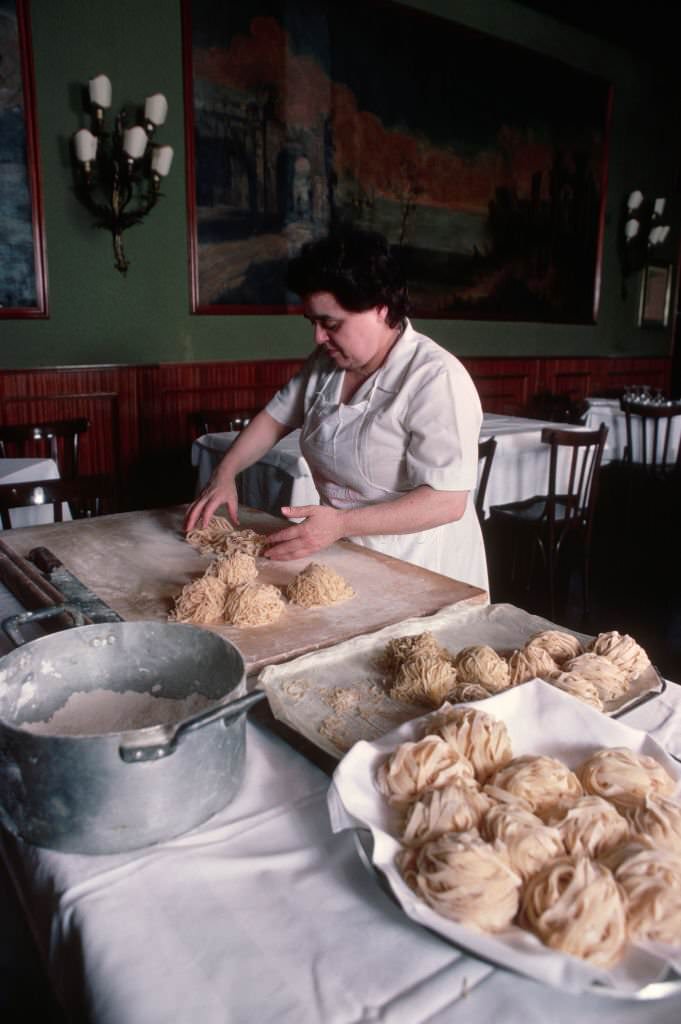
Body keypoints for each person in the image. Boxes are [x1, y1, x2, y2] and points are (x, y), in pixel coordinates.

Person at [185, 227, 488, 592]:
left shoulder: (436, 378)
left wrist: (342, 523)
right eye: (313, 323)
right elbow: (273, 419)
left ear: (381, 308)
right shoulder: (326, 363)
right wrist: (225, 473)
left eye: (331, 324)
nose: (318, 338)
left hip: (422, 565)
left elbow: (446, 502)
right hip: (346, 549)